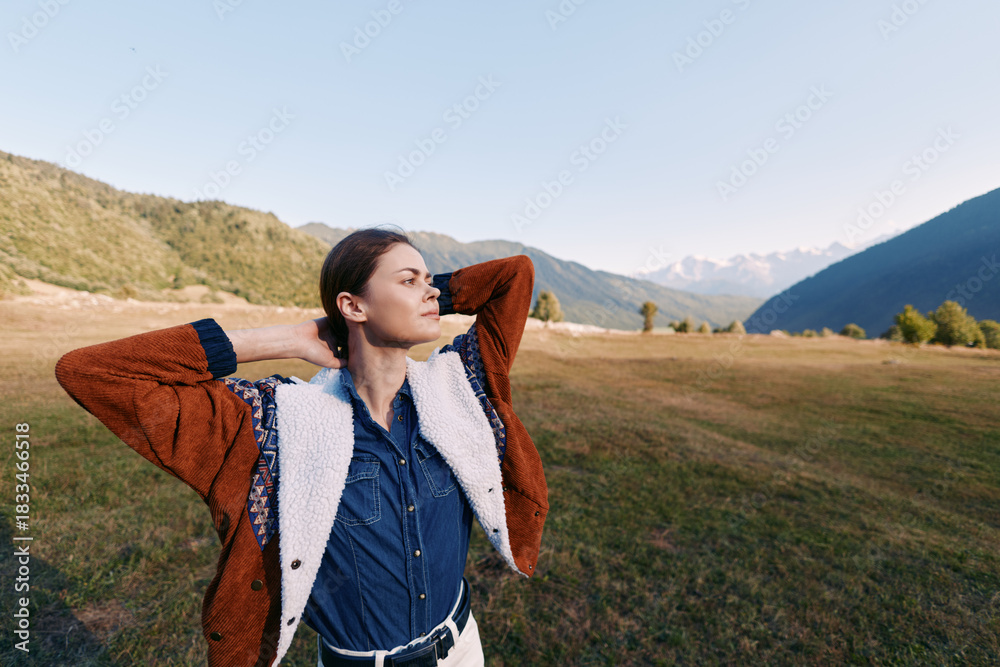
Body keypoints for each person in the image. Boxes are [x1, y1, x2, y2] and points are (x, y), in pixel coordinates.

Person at [55, 227, 548, 666]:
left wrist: (412, 290)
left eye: (429, 279)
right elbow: (92, 373)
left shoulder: (460, 385)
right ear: (352, 305)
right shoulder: (273, 424)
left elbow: (513, 276)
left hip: (461, 648)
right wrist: (292, 336)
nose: (432, 291)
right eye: (408, 280)